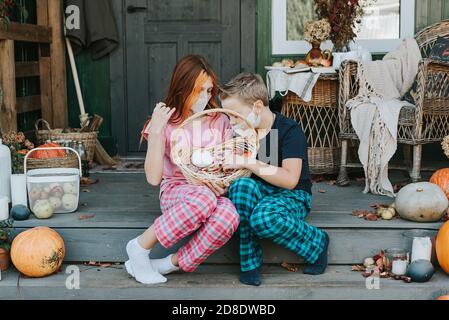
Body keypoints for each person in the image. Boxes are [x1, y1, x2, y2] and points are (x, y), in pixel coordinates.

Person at [125, 55, 239, 284]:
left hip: (211, 190)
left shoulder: (219, 120)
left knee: (229, 215)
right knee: (203, 198)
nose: (204, 98)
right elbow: (153, 177)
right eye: (198, 91)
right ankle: (139, 247)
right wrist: (156, 131)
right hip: (177, 190)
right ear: (182, 88)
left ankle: (169, 263)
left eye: (209, 91)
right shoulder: (166, 120)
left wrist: (221, 181)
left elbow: (228, 164)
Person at [220, 72, 330, 286]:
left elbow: (290, 179)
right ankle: (249, 259)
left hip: (292, 195)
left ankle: (317, 243)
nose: (232, 122)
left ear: (257, 107)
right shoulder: (243, 133)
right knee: (241, 187)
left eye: (235, 115)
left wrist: (248, 161)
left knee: (263, 217)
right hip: (260, 194)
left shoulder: (289, 130)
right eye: (228, 116)